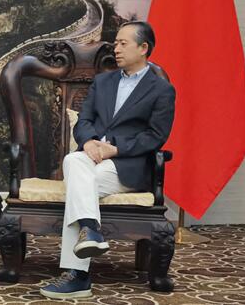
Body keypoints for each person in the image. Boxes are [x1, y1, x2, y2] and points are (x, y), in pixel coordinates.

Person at [40, 21, 176, 300]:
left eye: (123, 43)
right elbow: (84, 121)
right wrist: (89, 141)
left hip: (127, 166)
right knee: (74, 162)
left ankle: (78, 275)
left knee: (78, 183)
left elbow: (155, 136)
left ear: (143, 48)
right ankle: (90, 232)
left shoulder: (161, 90)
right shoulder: (103, 82)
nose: (116, 49)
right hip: (91, 158)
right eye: (115, 43)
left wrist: (115, 150)